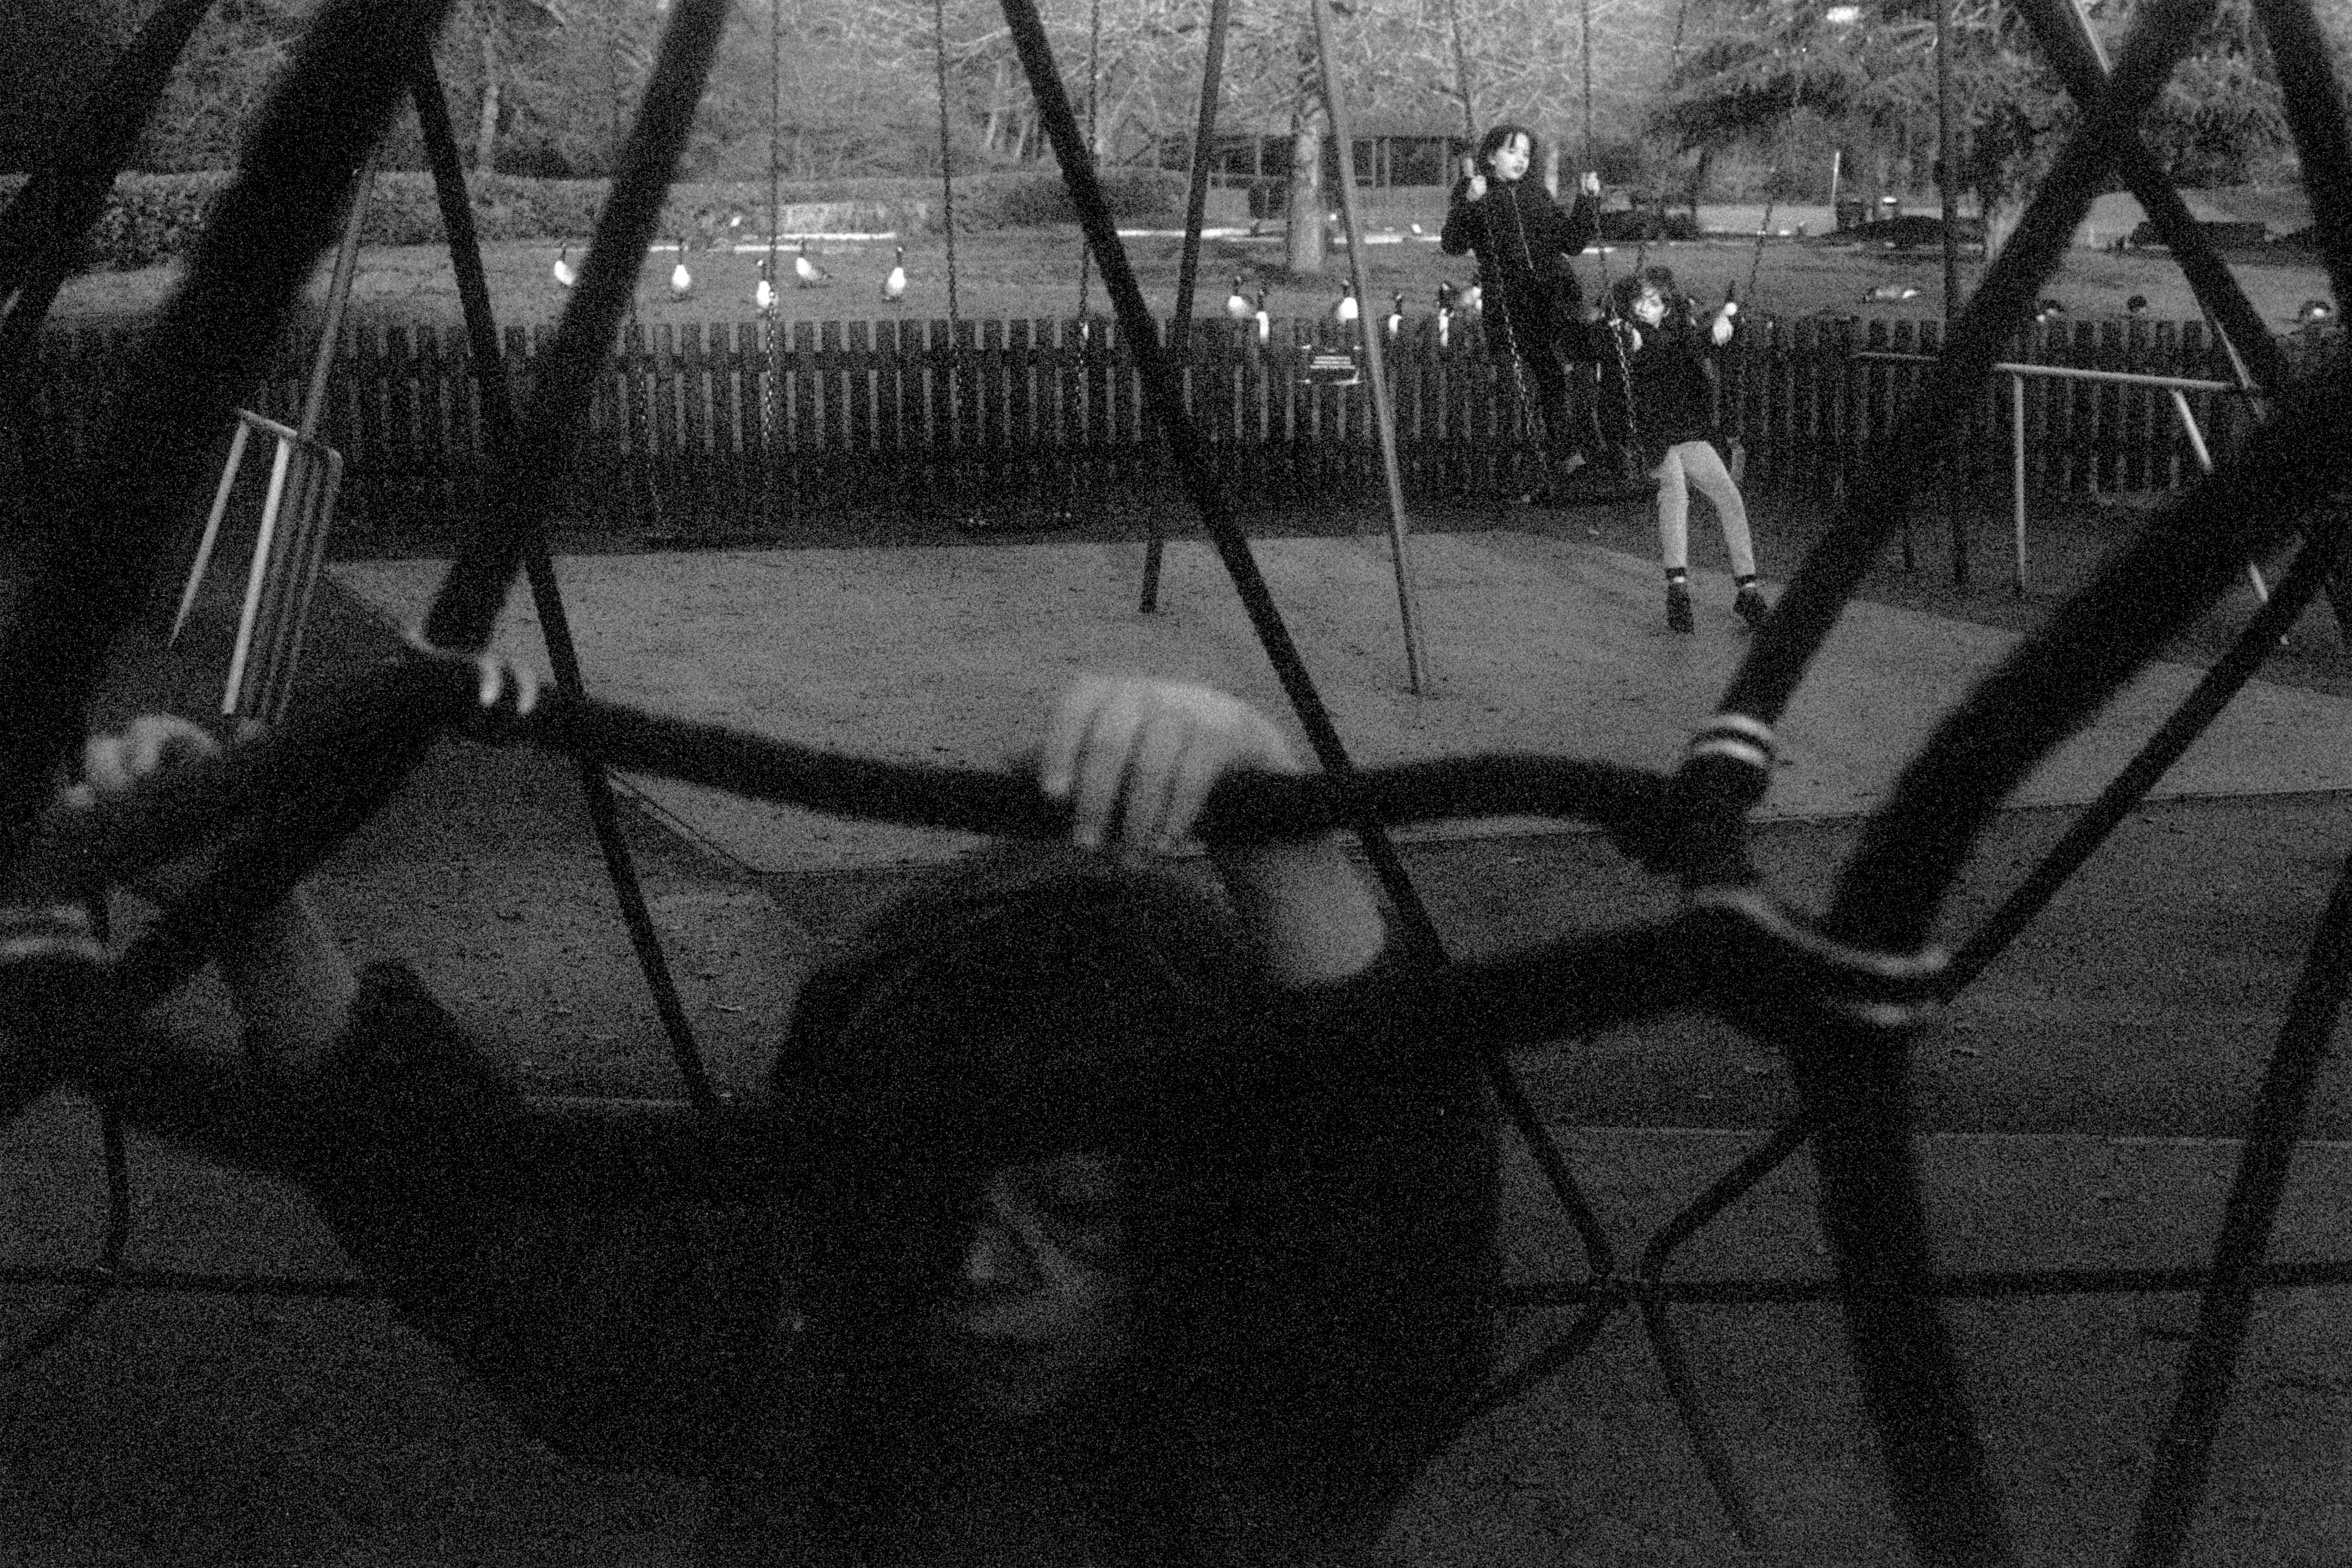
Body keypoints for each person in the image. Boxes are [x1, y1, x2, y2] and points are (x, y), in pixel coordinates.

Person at [78, 672, 1499, 1567]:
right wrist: (258, 915)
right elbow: (496, 1234)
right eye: (927, 1195)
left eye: (1073, 1211)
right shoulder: (812, 1332)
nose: (974, 1268)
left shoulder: (1275, 1415)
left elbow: (1393, 1193)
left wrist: (1266, 808)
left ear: (1204, 1212)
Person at [1593, 266, 1769, 634]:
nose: (1644, 308)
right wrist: (1623, 338)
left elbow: (1693, 345)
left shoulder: (1680, 333)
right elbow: (1604, 344)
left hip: (1685, 430)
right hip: (1648, 435)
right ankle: (1678, 589)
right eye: (1639, 302)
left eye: (1653, 302)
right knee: (1674, 490)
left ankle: (1748, 589)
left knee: (1728, 495)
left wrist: (1723, 328)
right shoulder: (1625, 335)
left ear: (1667, 307)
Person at [1440, 123, 1603, 502]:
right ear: (1492, 155)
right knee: (1522, 384)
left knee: (1560, 375)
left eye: (1527, 154)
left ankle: (1571, 453)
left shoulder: (1537, 195)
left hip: (1553, 298)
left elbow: (1573, 243)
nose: (1521, 160)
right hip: (1511, 301)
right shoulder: (1475, 191)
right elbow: (1453, 243)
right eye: (1513, 152)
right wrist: (1470, 202)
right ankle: (1532, 464)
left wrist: (1587, 200)